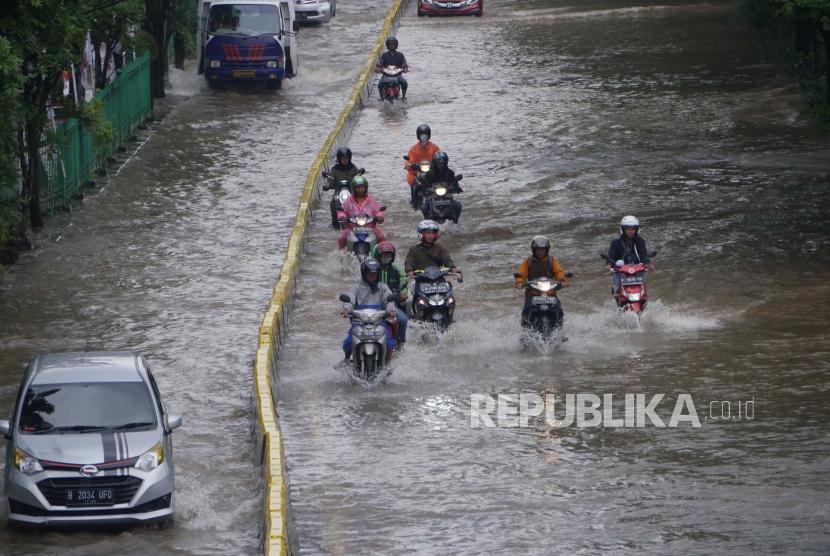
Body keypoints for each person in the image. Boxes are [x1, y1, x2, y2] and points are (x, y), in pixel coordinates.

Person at [340, 259, 397, 364]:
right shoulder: (356, 287)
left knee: (390, 344)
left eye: (374, 274)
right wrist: (346, 309)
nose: (372, 276)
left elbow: (389, 300)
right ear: (364, 274)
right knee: (348, 343)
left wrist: (391, 311)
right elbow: (350, 299)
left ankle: (387, 364)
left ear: (378, 274)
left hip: (379, 322)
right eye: (369, 274)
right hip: (359, 322)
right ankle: (346, 359)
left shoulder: (383, 287)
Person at [515, 236, 569, 324]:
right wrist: (520, 282)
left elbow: (559, 272)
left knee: (559, 311)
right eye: (538, 249)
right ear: (534, 250)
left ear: (546, 250)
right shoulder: (528, 261)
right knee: (526, 310)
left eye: (543, 249)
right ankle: (524, 334)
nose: (540, 252)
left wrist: (562, 281)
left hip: (550, 293)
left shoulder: (552, 260)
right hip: (532, 293)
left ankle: (560, 334)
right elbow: (521, 274)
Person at [404, 220, 460, 298]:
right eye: (428, 233)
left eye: (432, 233)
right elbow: (409, 262)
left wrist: (453, 268)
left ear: (436, 235)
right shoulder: (414, 250)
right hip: (421, 281)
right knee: (417, 299)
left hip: (439, 281)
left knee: (449, 298)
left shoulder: (440, 248)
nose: (430, 236)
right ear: (421, 234)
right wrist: (409, 270)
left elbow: (447, 259)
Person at [372, 241, 409, 346]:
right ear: (378, 256)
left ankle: (400, 345)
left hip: (391, 305)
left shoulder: (397, 271)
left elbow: (403, 283)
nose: (386, 257)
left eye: (388, 255)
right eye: (384, 255)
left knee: (403, 320)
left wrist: (403, 293)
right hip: (372, 305)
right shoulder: (371, 269)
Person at [337, 175, 387, 249]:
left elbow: (378, 210)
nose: (360, 189)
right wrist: (342, 217)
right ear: (354, 188)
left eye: (362, 187)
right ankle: (341, 255)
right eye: (358, 187)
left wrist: (379, 216)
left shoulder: (371, 200)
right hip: (352, 228)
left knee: (381, 237)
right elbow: (342, 210)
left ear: (365, 188)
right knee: (342, 238)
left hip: (370, 228)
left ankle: (382, 257)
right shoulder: (348, 200)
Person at [606, 215, 651, 294]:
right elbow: (611, 256)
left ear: (636, 230)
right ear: (623, 230)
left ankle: (643, 297)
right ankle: (618, 294)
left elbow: (644, 255)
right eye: (628, 229)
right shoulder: (616, 243)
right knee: (619, 263)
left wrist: (647, 263)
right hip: (621, 270)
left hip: (637, 269)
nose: (630, 231)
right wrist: (609, 264)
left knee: (643, 291)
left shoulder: (640, 241)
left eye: (632, 229)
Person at [414, 151, 463, 223]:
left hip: (446, 194)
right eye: (439, 162)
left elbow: (454, 182)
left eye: (443, 162)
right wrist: (424, 189)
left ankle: (455, 223)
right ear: (435, 162)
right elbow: (425, 183)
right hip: (432, 195)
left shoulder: (450, 172)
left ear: (446, 162)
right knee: (424, 207)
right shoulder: (429, 173)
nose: (441, 164)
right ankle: (427, 222)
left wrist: (457, 188)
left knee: (458, 206)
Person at [324, 146, 362, 229]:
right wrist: (327, 186)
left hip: (351, 192)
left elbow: (358, 178)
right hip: (338, 193)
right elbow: (330, 180)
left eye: (346, 158)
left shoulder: (353, 168)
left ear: (349, 158)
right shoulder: (334, 170)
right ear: (339, 158)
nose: (344, 160)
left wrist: (360, 176)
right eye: (342, 158)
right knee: (332, 204)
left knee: (360, 204)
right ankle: (335, 221)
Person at [405, 124, 441, 193]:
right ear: (418, 135)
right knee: (414, 184)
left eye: (425, 134)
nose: (424, 136)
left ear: (429, 135)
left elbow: (439, 157)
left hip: (431, 173)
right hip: (417, 175)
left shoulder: (435, 147)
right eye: (422, 134)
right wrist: (409, 165)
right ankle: (414, 201)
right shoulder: (413, 149)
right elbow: (409, 161)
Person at [376, 36, 408, 101]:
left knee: (404, 82)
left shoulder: (400, 55)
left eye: (393, 44)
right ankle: (381, 98)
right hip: (386, 75)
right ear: (388, 45)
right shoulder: (384, 55)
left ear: (396, 45)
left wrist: (405, 69)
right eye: (390, 44)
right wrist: (378, 68)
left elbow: (404, 64)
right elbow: (379, 64)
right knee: (380, 83)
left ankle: (403, 97)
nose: (392, 46)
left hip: (397, 75)